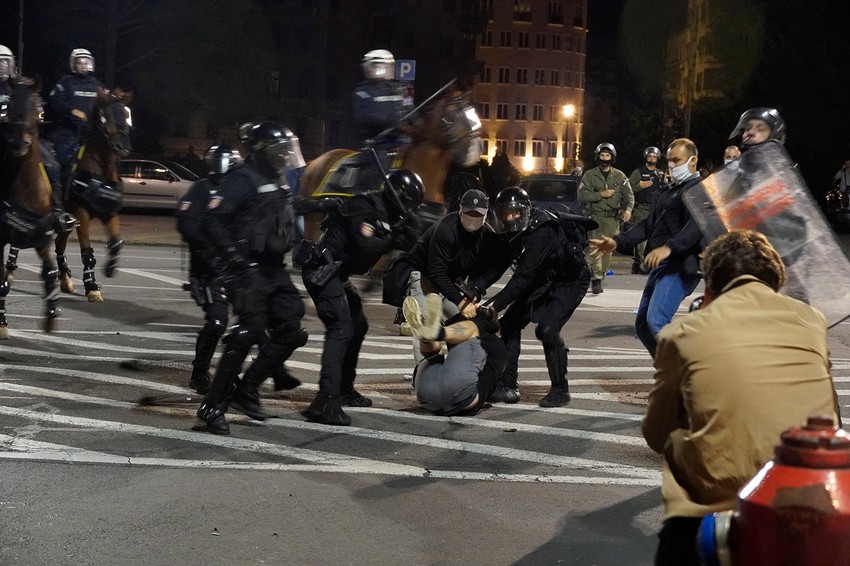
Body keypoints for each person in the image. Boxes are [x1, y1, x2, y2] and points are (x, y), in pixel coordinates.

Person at [642, 230, 840, 566]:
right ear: (776, 281)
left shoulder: (681, 334)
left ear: (711, 287)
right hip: (804, 495)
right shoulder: (812, 320)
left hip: (718, 508)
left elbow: (656, 434)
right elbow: (831, 413)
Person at [195, 122, 312, 435]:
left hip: (274, 269)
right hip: (246, 269)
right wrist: (233, 257)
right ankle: (212, 406)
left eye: (286, 151)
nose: (284, 156)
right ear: (261, 152)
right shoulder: (241, 180)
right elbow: (210, 221)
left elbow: (287, 208)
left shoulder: (276, 179)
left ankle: (247, 389)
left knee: (292, 330)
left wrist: (325, 204)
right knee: (247, 333)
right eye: (279, 151)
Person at [297, 169, 423, 426]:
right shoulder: (363, 207)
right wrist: (393, 239)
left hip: (337, 273)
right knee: (341, 328)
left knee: (358, 324)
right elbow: (365, 245)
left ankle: (344, 389)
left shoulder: (386, 214)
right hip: (321, 270)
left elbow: (399, 243)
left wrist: (410, 235)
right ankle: (325, 401)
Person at [470, 187, 595, 407]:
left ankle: (560, 390)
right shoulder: (513, 233)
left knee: (547, 329)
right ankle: (507, 385)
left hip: (569, 281)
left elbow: (523, 276)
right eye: (505, 213)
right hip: (542, 279)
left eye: (515, 212)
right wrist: (476, 289)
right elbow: (499, 264)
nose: (510, 218)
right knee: (509, 325)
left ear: (525, 210)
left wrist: (495, 306)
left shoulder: (542, 230)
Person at [589, 138, 704, 358]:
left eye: (676, 160)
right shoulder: (669, 190)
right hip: (660, 264)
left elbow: (697, 224)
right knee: (643, 326)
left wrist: (670, 248)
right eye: (669, 161)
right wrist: (618, 241)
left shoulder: (699, 189)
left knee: (657, 321)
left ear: (693, 160)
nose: (671, 166)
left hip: (680, 265)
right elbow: (648, 224)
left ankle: (688, 370)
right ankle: (667, 369)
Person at [176, 144, 243, 395]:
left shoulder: (241, 191)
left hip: (238, 269)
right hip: (208, 270)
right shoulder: (201, 189)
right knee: (217, 322)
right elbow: (186, 223)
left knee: (253, 324)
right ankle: (200, 372)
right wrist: (209, 249)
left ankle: (233, 375)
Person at [402, 293, 507, 416]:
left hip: (426, 394)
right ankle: (430, 336)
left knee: (437, 352)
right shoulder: (496, 349)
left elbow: (473, 327)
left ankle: (431, 335)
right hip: (459, 397)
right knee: (441, 350)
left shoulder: (488, 338)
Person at [578, 143, 634, 294]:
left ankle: (601, 274)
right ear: (598, 157)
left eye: (607, 155)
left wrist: (628, 210)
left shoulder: (620, 176)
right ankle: (596, 279)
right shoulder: (589, 176)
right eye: (602, 155)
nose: (604, 158)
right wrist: (600, 195)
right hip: (595, 217)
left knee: (608, 250)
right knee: (594, 248)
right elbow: (581, 195)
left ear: (612, 157)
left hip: (612, 220)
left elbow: (629, 196)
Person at [49, 48, 102, 184]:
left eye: (86, 62)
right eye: (80, 63)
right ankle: (59, 190)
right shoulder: (65, 82)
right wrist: (72, 111)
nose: (83, 66)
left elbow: (106, 101)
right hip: (68, 133)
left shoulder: (95, 84)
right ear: (74, 65)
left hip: (89, 134)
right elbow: (55, 100)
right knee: (62, 163)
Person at [628, 146, 665, 274]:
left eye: (654, 157)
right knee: (641, 238)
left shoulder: (660, 174)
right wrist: (640, 186)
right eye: (650, 156)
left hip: (656, 208)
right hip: (641, 208)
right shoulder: (638, 172)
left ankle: (649, 262)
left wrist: (666, 182)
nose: (652, 158)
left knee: (654, 237)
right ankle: (639, 263)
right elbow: (628, 189)